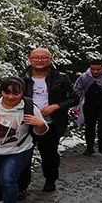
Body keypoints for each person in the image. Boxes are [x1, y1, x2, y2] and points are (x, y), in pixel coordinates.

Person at [19, 48, 77, 193]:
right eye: (36, 57)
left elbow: (75, 98)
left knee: (50, 155)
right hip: (26, 123)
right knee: (23, 155)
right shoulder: (22, 78)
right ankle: (22, 186)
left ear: (50, 59)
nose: (40, 60)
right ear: (29, 59)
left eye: (44, 57)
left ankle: (50, 179)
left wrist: (56, 106)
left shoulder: (61, 78)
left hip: (51, 123)